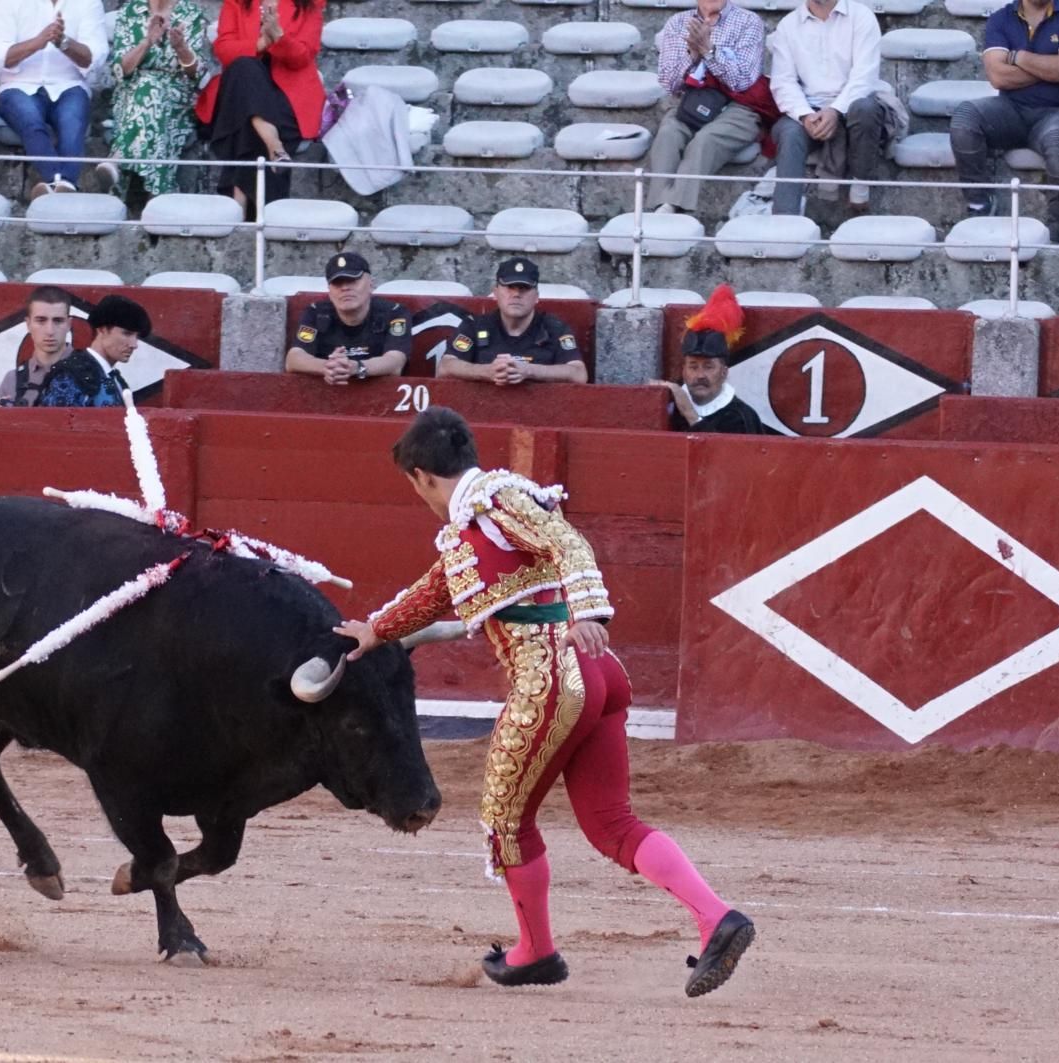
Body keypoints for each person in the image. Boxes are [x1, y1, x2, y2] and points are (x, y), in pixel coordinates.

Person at [334, 408, 755, 996]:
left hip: (553, 677)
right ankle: (717, 918)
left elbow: (568, 543)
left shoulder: (497, 503)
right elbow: (437, 590)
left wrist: (589, 611)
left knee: (504, 821)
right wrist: (376, 631)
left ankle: (535, 951)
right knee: (611, 825)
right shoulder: (477, 523)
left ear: (422, 476)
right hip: (598, 675)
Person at [950, 0, 1059, 236]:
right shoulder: (1000, 18)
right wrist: (1049, 67)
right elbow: (998, 77)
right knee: (966, 116)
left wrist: (1020, 57)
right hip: (1011, 109)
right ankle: (979, 205)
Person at [194, 0, 325, 215]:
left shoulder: (309, 4)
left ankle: (238, 203)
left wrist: (279, 37)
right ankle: (274, 146)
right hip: (239, 87)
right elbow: (224, 50)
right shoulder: (236, 3)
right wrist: (262, 42)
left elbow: (302, 57)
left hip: (287, 97)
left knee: (246, 119)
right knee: (244, 67)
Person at [648, 0, 774, 215]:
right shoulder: (678, 23)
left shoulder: (748, 22)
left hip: (741, 106)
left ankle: (671, 208)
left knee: (706, 139)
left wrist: (709, 51)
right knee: (669, 133)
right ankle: (660, 207)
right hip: (694, 101)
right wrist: (692, 55)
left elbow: (742, 81)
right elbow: (669, 84)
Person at [767, 0, 889, 215]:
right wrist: (804, 115)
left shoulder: (861, 17)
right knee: (790, 133)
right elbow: (783, 81)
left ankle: (860, 186)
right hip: (809, 108)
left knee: (865, 109)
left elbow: (865, 77)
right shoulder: (788, 25)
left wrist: (835, 110)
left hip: (852, 105)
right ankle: (784, 218)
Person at [0, 0, 109, 198]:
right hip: (18, 85)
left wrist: (64, 43)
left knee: (72, 121)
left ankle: (55, 186)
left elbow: (95, 57)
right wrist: (38, 42)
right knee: (30, 120)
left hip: (69, 84)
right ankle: (63, 185)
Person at [96, 0, 210, 201]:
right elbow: (120, 70)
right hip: (131, 95)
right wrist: (147, 42)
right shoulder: (130, 12)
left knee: (152, 90)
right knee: (148, 87)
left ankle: (118, 162)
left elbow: (198, 76)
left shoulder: (191, 14)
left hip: (176, 97)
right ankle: (158, 196)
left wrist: (181, 48)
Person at [437, 258, 588, 385]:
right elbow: (445, 367)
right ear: (495, 293)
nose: (516, 294)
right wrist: (486, 371)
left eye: (524, 288)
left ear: (537, 296)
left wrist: (529, 370)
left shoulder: (555, 328)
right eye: (510, 287)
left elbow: (579, 374)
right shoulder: (475, 326)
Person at [650, 284, 766, 434]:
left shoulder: (742, 417)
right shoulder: (666, 406)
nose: (700, 375)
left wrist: (690, 414)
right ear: (683, 371)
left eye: (708, 366)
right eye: (693, 366)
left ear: (724, 372)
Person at [284, 252, 410, 384]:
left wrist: (357, 368)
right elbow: (293, 358)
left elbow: (395, 362)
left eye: (352, 281)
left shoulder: (394, 313)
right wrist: (327, 367)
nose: (345, 288)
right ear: (329, 291)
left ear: (371, 284)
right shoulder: (316, 313)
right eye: (337, 283)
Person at [35, 294, 152, 407]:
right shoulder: (72, 375)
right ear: (102, 330)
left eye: (137, 337)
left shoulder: (116, 379)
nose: (134, 345)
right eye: (127, 333)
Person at [0, 286, 75, 407]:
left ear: (69, 324)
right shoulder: (13, 380)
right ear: (28, 324)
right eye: (41, 320)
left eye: (58, 321)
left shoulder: (93, 374)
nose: (50, 331)